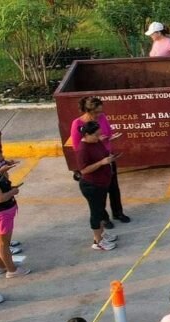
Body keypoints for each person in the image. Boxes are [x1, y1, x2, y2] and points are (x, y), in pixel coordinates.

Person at [71, 96, 128, 229]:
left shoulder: (102, 118)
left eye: (100, 112)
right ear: (88, 111)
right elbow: (77, 146)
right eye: (96, 112)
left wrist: (107, 138)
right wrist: (97, 140)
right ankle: (104, 218)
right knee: (100, 192)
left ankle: (118, 212)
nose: (99, 115)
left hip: (106, 155)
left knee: (113, 187)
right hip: (94, 160)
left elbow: (108, 132)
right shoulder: (78, 123)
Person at [75, 121, 120, 252]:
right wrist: (102, 162)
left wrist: (109, 157)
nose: (99, 137)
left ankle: (102, 234)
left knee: (100, 210)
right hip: (92, 186)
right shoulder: (83, 149)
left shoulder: (96, 142)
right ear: (87, 135)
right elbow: (83, 170)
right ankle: (97, 241)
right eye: (96, 135)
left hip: (102, 183)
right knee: (96, 213)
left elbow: (103, 152)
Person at [0, 151, 27, 280]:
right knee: (4, 244)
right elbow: (0, 198)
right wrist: (13, 191)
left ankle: (2, 266)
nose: (2, 160)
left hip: (3, 212)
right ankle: (12, 270)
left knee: (0, 243)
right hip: (3, 213)